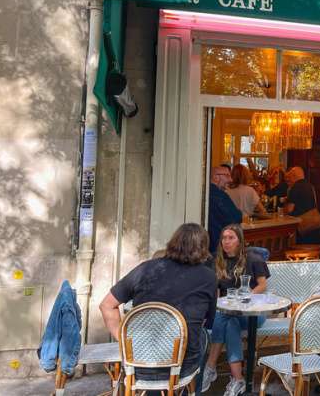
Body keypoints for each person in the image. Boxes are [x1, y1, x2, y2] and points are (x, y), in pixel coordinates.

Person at [99, 223, 217, 392]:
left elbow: (106, 305)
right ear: (203, 249)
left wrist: (125, 341)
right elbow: (203, 320)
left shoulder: (145, 269)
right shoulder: (208, 277)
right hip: (180, 367)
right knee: (202, 336)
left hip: (140, 364)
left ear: (173, 242)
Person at [201, 224, 270, 396]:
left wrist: (243, 298)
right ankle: (238, 379)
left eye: (231, 238)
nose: (227, 241)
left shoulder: (253, 257)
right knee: (229, 322)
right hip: (228, 314)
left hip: (253, 313)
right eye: (224, 238)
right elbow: (216, 294)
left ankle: (210, 366)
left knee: (224, 315)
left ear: (240, 241)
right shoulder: (217, 261)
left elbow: (262, 285)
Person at [208, 165, 242, 253]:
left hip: (205, 247)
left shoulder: (203, 191)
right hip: (219, 248)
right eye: (227, 176)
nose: (230, 179)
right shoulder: (221, 196)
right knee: (262, 253)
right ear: (216, 177)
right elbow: (237, 219)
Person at [283, 166, 320, 245]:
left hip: (301, 227)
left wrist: (282, 213)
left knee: (299, 249)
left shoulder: (294, 188)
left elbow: (289, 209)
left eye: (290, 177)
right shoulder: (310, 186)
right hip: (313, 225)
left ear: (294, 177)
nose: (289, 180)